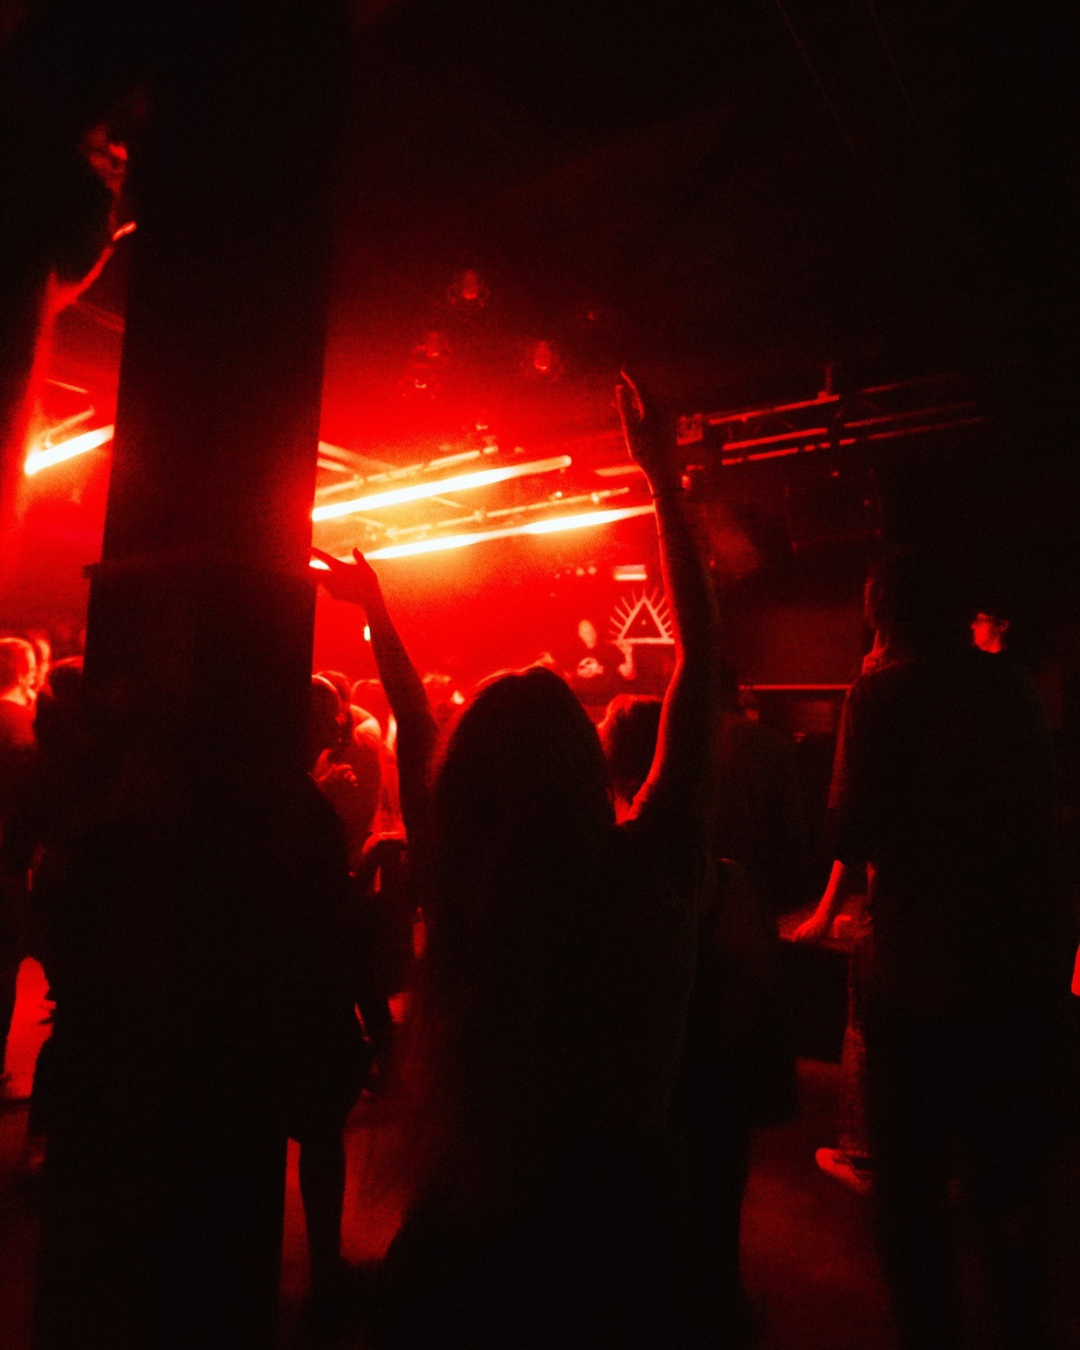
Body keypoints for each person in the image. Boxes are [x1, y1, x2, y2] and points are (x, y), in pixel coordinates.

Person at [312, 370, 722, 1348]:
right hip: (629, 1225)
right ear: (583, 768)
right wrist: (663, 482)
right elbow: (702, 666)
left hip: (475, 1223)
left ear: (471, 779)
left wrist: (375, 609)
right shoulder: (648, 877)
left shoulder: (464, 881)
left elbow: (413, 724)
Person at [797, 550, 1070, 1350]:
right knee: (1004, 1184)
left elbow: (847, 829)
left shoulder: (878, 694)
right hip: (1016, 968)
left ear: (882, 618)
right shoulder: (1012, 688)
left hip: (918, 972)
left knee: (911, 1189)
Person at [600, 692, 793, 1346]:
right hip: (707, 1080)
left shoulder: (602, 861)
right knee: (713, 1214)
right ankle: (720, 1316)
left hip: (635, 1084)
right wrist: (708, 1047)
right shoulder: (714, 874)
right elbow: (753, 977)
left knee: (641, 1224)